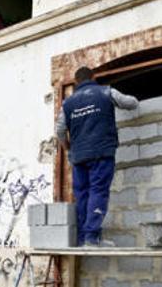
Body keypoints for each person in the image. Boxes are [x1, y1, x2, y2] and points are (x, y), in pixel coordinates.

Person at [55, 66, 138, 246]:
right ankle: (92, 237)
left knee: (82, 194)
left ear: (76, 82)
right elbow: (131, 103)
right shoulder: (106, 92)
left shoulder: (67, 104)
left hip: (78, 157)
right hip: (101, 152)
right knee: (98, 191)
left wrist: (67, 146)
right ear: (93, 77)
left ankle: (84, 238)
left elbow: (60, 130)